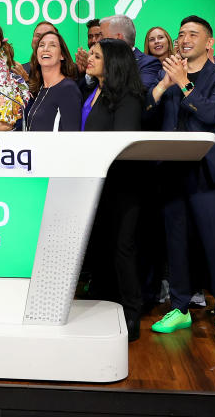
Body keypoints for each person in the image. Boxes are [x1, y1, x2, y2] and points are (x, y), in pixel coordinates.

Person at [147, 16, 215, 347]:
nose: (184, 39)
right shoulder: (165, 75)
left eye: (192, 34)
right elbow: (146, 115)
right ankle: (180, 307)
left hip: (208, 175)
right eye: (181, 34)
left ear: (210, 42)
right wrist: (162, 86)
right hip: (173, 172)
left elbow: (213, 114)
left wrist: (185, 83)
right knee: (177, 246)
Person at [82, 38, 146, 339]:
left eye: (97, 55)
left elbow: (122, 142)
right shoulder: (95, 91)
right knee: (103, 249)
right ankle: (105, 307)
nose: (90, 58)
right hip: (97, 185)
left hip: (122, 184)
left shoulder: (128, 97)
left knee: (123, 249)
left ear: (114, 62)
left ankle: (133, 314)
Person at [24, 30, 81, 131]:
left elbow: (72, 136)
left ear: (62, 55)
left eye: (52, 45)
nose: (45, 49)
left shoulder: (68, 88)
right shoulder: (41, 88)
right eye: (41, 45)